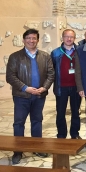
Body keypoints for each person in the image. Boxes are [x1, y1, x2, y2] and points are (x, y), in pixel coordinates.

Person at [6, 29, 55, 164]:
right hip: (21, 96)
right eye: (28, 38)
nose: (31, 41)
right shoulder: (15, 57)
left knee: (37, 121)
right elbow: (10, 76)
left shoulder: (45, 56)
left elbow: (51, 74)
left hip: (39, 95)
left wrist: (44, 88)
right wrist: (26, 88)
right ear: (23, 40)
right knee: (19, 123)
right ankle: (18, 150)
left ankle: (37, 147)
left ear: (37, 40)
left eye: (34, 38)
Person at [51, 29, 81, 140]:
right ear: (62, 38)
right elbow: (52, 70)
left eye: (71, 37)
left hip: (76, 87)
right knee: (60, 112)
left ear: (74, 38)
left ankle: (75, 134)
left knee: (75, 112)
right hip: (61, 87)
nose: (69, 39)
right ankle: (61, 135)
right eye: (66, 36)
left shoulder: (79, 51)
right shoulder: (55, 53)